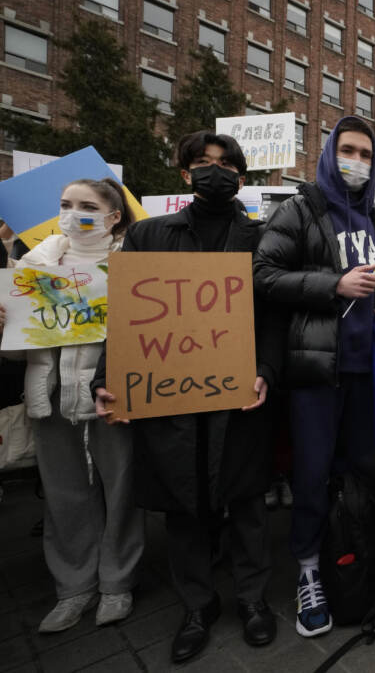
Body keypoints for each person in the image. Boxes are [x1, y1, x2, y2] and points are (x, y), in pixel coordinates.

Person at [92, 132, 282, 663]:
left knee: (246, 500)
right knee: (184, 503)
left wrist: (266, 369)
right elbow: (126, 319)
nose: (213, 172)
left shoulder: (260, 238)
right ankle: (197, 605)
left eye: (224, 165)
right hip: (170, 396)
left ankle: (251, 598)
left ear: (240, 178)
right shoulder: (149, 236)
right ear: (184, 174)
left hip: (238, 394)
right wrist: (108, 379)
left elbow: (271, 317)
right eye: (202, 163)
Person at [253, 116, 375, 638]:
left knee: (362, 472)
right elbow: (263, 275)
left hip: (369, 372)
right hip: (317, 370)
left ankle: (359, 562)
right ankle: (309, 572)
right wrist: (333, 284)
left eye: (365, 152)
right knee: (312, 474)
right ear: (329, 153)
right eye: (348, 150)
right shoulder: (301, 209)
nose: (356, 160)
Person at [0, 179, 143, 633]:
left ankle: (117, 581)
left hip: (113, 396)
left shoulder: (133, 265)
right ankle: (72, 587)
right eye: (65, 204)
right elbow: (16, 351)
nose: (72, 212)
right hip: (50, 397)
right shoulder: (32, 263)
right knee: (63, 495)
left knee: (121, 491)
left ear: (114, 215)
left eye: (86, 205)